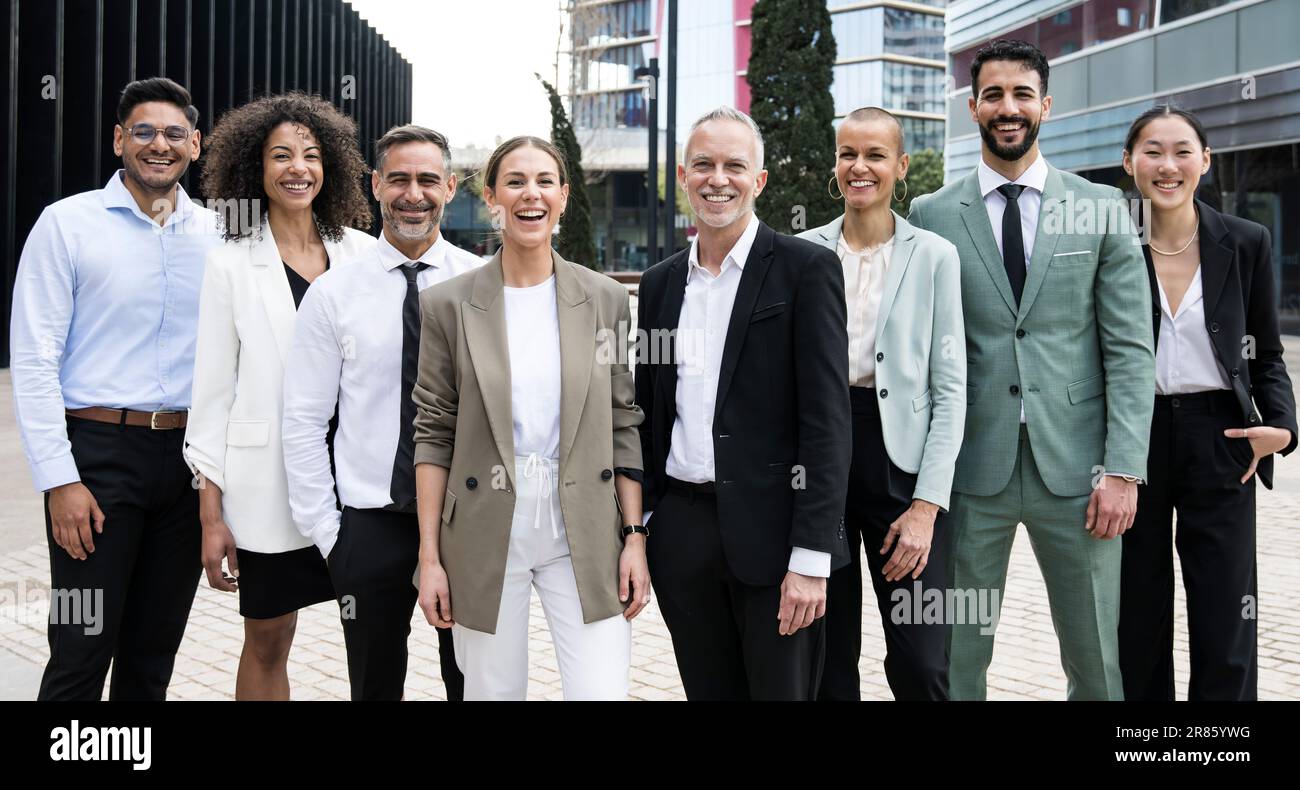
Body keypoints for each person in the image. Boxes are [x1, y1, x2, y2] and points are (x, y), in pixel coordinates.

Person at [908, 39, 1155, 700]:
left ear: (1046, 105)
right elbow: (918, 354)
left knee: (1098, 661)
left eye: (1022, 94)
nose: (1007, 107)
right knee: (958, 658)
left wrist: (1125, 469)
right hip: (968, 473)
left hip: (1082, 476)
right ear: (972, 107)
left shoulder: (1102, 209)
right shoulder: (932, 216)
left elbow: (1131, 350)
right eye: (994, 94)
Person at [410, 136, 649, 700]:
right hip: (484, 522)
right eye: (514, 181)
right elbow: (433, 434)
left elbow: (622, 422)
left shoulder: (605, 299)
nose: (530, 194)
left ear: (564, 196)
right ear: (491, 196)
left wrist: (634, 537)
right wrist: (429, 557)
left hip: (584, 523)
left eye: (544, 181)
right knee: (492, 693)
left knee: (601, 690)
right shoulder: (447, 304)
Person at [10, 77, 220, 700]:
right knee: (79, 650)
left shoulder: (219, 237)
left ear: (196, 145)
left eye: (175, 133)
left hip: (184, 466)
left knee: (152, 658)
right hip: (96, 459)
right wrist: (59, 479)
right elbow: (35, 359)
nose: (160, 144)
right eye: (145, 132)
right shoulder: (67, 225)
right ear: (118, 140)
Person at [634, 106, 852, 700]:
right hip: (683, 534)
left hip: (778, 540)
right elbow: (646, 411)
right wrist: (649, 522)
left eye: (734, 165)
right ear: (683, 176)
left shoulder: (806, 270)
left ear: (758, 181)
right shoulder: (658, 284)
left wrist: (812, 556)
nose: (717, 178)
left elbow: (828, 422)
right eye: (703, 164)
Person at [183, 93, 376, 700]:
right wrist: (211, 516)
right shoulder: (229, 264)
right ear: (255, 169)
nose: (299, 167)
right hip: (264, 490)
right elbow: (212, 396)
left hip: (356, 484)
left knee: (372, 638)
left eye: (313, 155)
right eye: (282, 155)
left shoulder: (364, 255)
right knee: (269, 638)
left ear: (333, 167)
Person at [281, 125, 479, 700]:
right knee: (373, 685)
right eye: (398, 179)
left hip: (464, 519)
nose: (412, 193)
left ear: (449, 186)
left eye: (426, 180)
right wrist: (329, 533)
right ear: (375, 185)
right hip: (369, 524)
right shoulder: (334, 294)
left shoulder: (481, 284)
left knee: (471, 680)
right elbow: (303, 420)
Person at [1118, 105, 1297, 701]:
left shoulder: (1245, 241)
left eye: (1182, 151)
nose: (1167, 165)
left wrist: (1282, 428)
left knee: (1225, 615)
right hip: (1131, 440)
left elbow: (1267, 354)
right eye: (1152, 151)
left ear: (1205, 161)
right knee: (1135, 616)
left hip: (1222, 438)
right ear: (1129, 162)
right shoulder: (1109, 242)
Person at [797, 107, 965, 701]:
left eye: (874, 155)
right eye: (847, 154)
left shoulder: (936, 255)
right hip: (821, 459)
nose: (859, 167)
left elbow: (950, 389)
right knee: (828, 658)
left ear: (901, 166)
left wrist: (926, 507)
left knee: (922, 662)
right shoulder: (801, 252)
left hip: (903, 466)